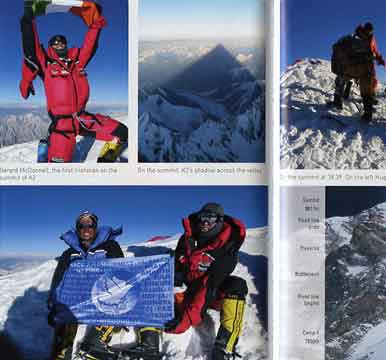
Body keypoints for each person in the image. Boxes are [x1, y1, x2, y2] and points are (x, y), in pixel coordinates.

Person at [127, 203, 248, 360]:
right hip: (187, 291)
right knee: (152, 281)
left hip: (211, 294)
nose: (205, 222)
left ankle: (225, 347)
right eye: (203, 217)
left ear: (219, 221)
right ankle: (149, 344)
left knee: (236, 285)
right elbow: (177, 263)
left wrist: (186, 320)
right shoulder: (187, 240)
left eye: (211, 218)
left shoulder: (228, 249)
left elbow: (209, 285)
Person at [20, 1, 128, 163]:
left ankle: (106, 161)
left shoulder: (78, 62)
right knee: (58, 169)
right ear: (50, 47)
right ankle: (46, 151)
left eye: (62, 42)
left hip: (82, 119)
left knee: (122, 132)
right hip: (62, 126)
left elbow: (89, 45)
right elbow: (32, 47)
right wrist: (28, 21)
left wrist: (95, 26)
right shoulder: (47, 65)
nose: (59, 44)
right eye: (55, 43)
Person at [47, 211, 124, 359]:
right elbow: (59, 281)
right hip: (77, 298)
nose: (86, 228)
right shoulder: (69, 254)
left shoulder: (110, 246)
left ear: (96, 227)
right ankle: (62, 351)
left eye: (90, 224)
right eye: (82, 225)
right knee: (65, 311)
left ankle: (94, 345)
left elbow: (120, 272)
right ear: (77, 229)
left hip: (101, 296)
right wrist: (53, 305)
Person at [330, 22, 386, 122]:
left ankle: (339, 101)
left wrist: (380, 59)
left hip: (359, 67)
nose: (370, 33)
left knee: (343, 80)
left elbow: (374, 51)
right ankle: (367, 112)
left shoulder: (366, 38)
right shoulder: (355, 38)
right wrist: (379, 59)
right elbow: (373, 52)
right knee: (365, 87)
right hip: (358, 67)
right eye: (369, 31)